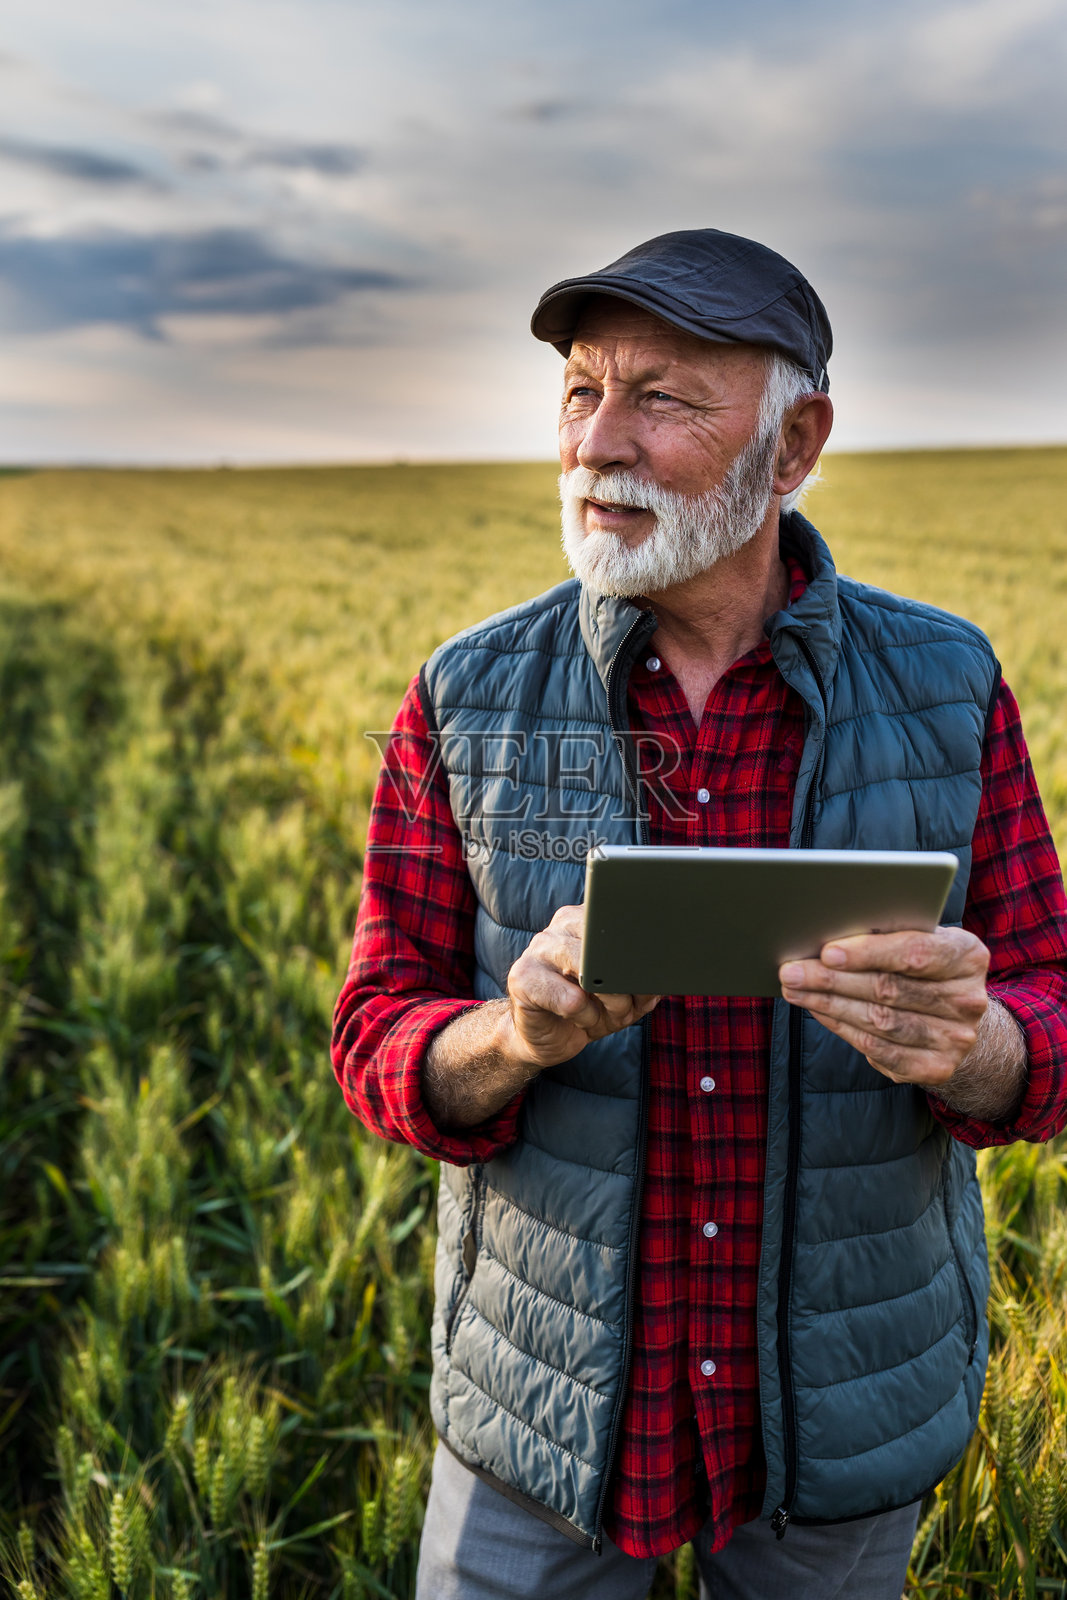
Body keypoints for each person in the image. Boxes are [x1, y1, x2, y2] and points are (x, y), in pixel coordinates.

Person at [331, 229, 1067, 1599]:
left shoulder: (949, 685)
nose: (596, 441)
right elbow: (376, 1034)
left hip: (837, 1425)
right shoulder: (466, 694)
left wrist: (974, 1049)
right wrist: (509, 1038)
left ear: (794, 449)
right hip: (540, 1417)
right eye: (579, 390)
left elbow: (1051, 1009)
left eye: (662, 398)